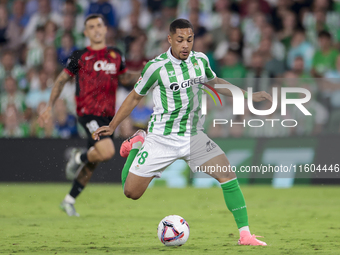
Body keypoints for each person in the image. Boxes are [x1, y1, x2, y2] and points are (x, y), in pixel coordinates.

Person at [94, 19, 271, 246]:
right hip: (161, 138)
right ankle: (138, 144)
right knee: (130, 192)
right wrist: (113, 124)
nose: (185, 45)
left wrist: (248, 95)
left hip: (193, 136)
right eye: (180, 40)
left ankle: (245, 235)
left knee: (227, 175)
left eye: (189, 39)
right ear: (170, 40)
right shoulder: (155, 67)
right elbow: (135, 97)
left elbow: (215, 82)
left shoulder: (200, 60)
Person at [39, 14, 139, 217]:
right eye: (91, 27)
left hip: (108, 118)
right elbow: (60, 81)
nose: (96, 29)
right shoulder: (80, 56)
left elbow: (126, 77)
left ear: (104, 29)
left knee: (94, 161)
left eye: (99, 25)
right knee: (108, 151)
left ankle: (69, 200)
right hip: (88, 114)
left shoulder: (115, 55)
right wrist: (50, 106)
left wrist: (145, 72)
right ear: (86, 32)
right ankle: (78, 156)